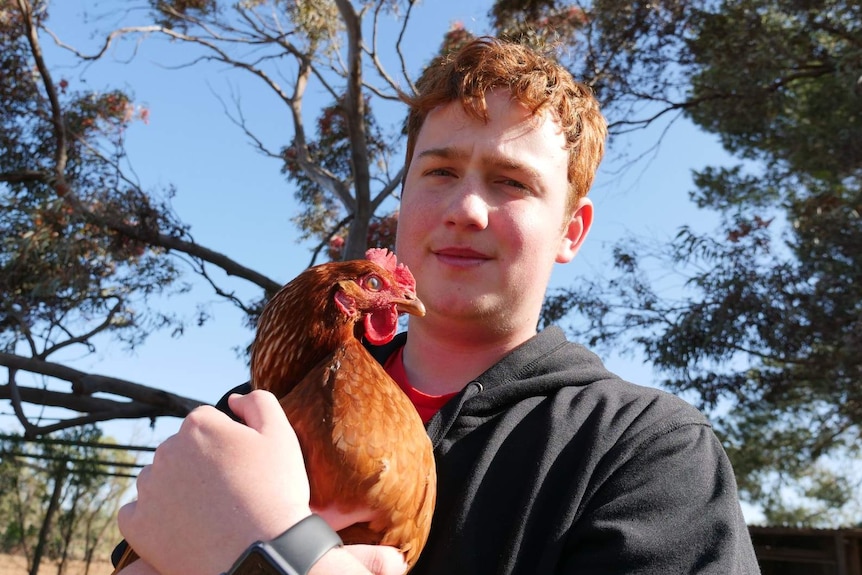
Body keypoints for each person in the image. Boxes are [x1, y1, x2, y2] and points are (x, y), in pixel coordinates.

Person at [116, 37, 761, 575]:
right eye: (440, 173)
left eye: (511, 182)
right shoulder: (257, 408)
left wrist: (280, 556)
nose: (464, 210)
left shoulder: (641, 452)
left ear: (571, 230)